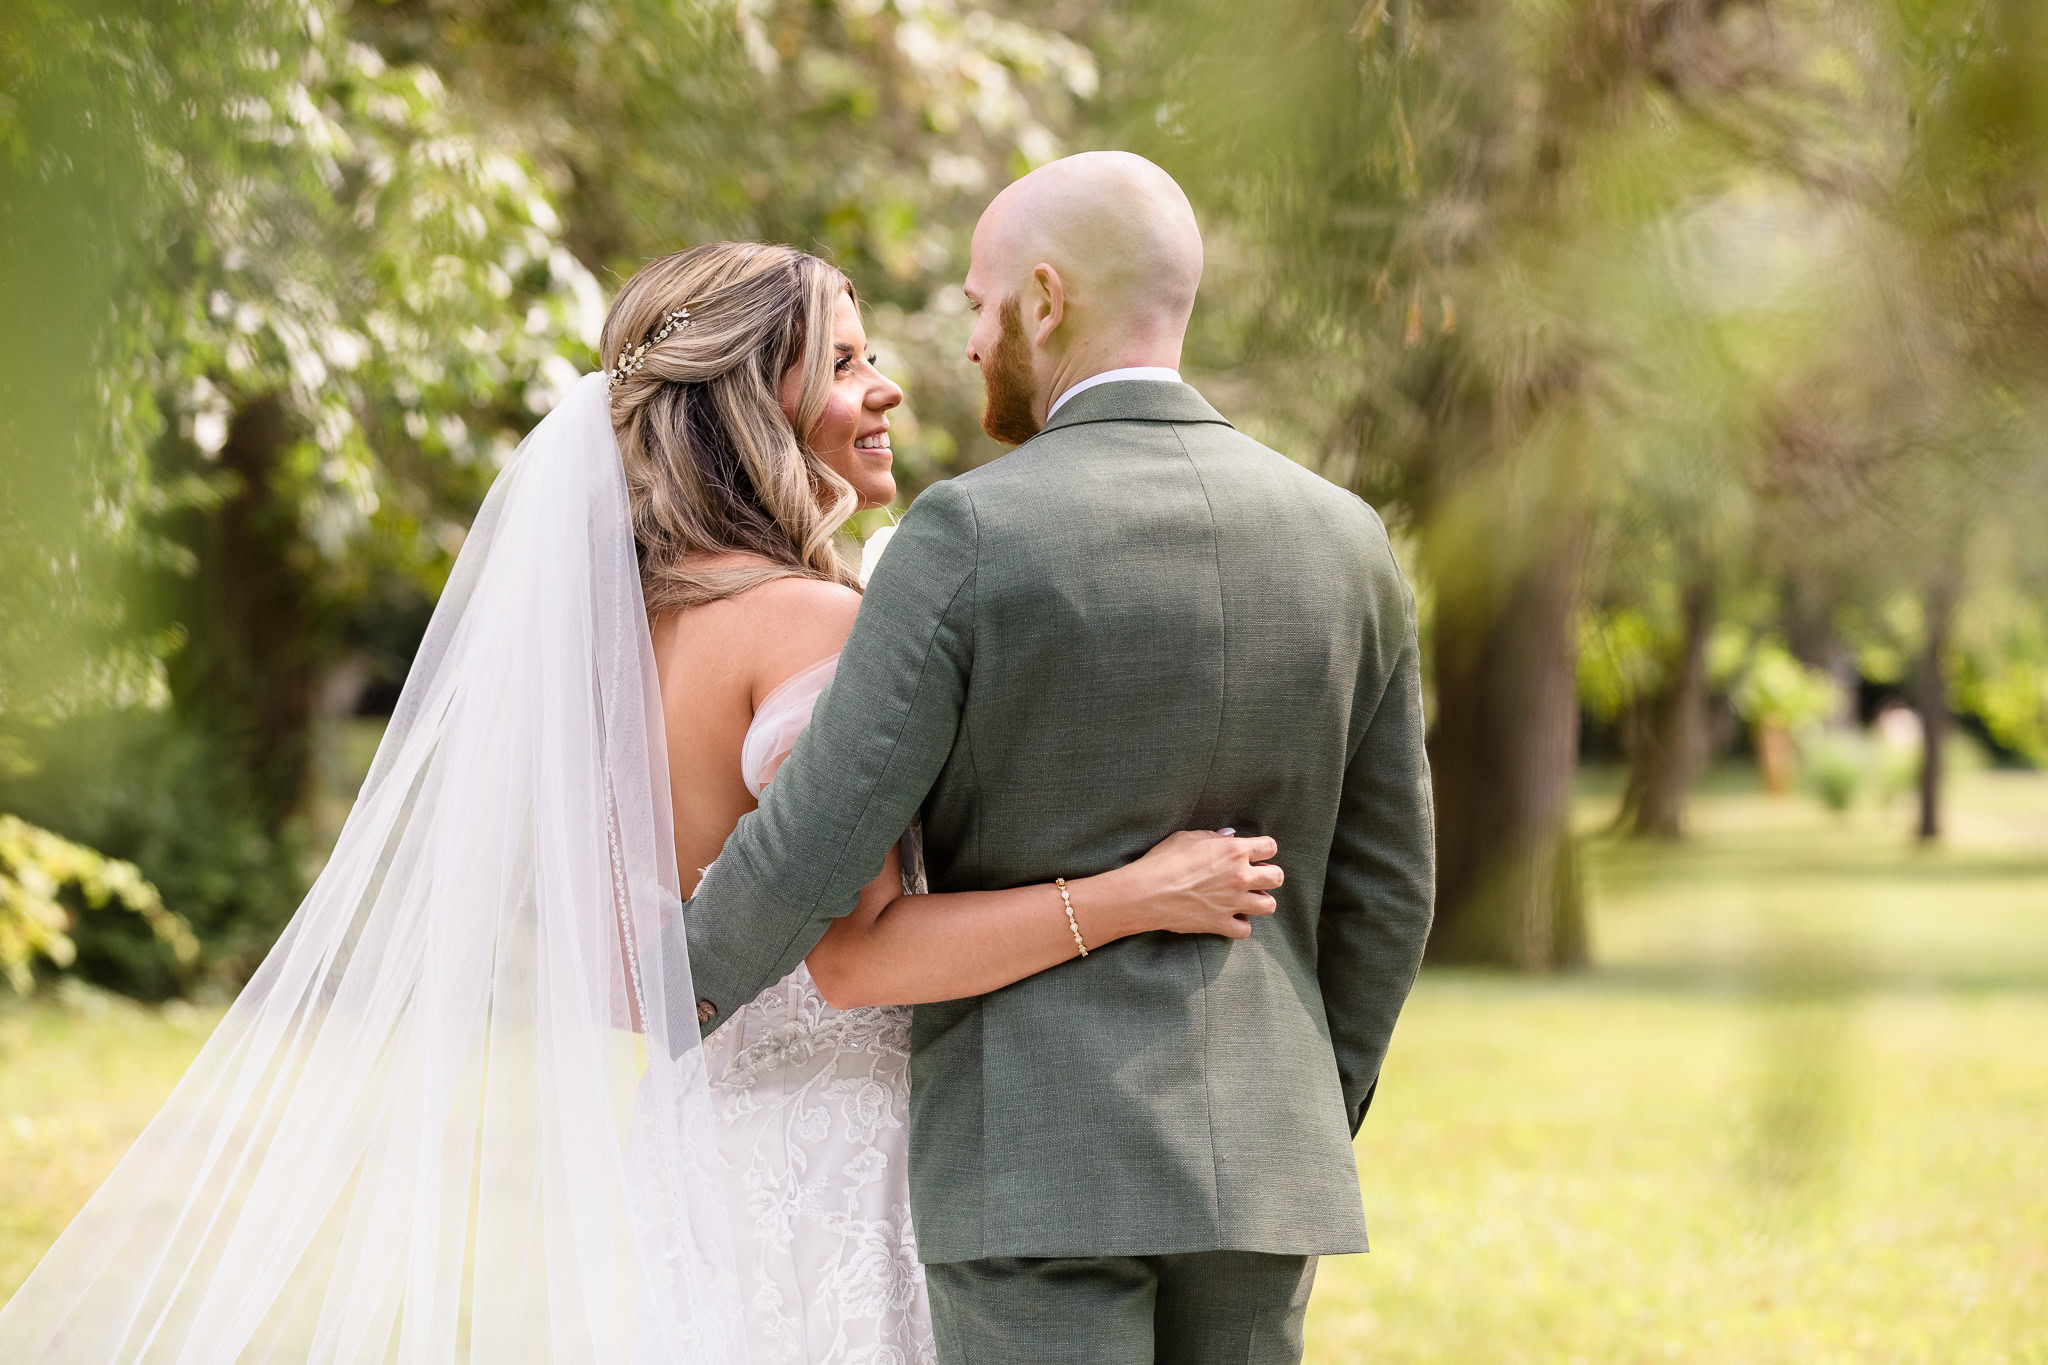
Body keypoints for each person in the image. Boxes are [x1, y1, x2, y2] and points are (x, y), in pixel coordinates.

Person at [0, 236, 1278, 1364]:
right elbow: (861, 958)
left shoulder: (622, 640)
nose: (884, 387)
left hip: (691, 1145)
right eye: (842, 363)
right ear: (751, 404)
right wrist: (1135, 892)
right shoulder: (815, 627)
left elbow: (632, 968)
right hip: (849, 1152)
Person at [679, 153, 1437, 1365]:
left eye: (981, 307)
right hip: (1261, 1168)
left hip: (1029, 1163)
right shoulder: (1346, 542)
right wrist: (1299, 1105)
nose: (972, 345)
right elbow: (1387, 891)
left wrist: (680, 986)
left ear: (1042, 301)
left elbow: (820, 831)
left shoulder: (971, 533)